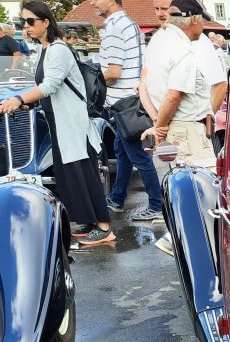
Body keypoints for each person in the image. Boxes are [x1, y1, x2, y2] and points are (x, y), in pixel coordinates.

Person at [0, 1, 114, 247]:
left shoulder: (59, 49)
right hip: (61, 124)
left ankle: (104, 228)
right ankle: (89, 222)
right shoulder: (46, 49)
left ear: (45, 22)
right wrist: (31, 104)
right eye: (23, 22)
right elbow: (51, 92)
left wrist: (19, 98)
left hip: (72, 124)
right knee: (70, 176)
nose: (26, 26)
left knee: (84, 173)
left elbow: (50, 85)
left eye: (30, 21)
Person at [140, 0, 217, 255]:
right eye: (203, 20)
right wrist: (160, 126)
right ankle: (184, 243)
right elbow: (174, 95)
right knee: (205, 192)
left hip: (174, 126)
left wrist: (157, 123)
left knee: (184, 187)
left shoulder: (158, 44)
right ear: (194, 19)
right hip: (187, 129)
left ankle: (180, 238)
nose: (204, 25)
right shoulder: (183, 50)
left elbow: (142, 86)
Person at [93, 0, 164, 223]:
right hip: (131, 100)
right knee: (122, 152)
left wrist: (88, 82)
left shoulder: (114, 28)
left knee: (140, 157)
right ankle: (116, 198)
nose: (93, 2)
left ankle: (157, 205)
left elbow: (113, 72)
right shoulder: (130, 24)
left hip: (122, 104)